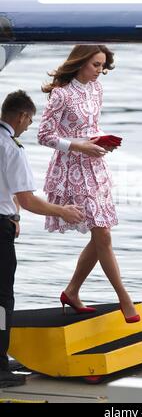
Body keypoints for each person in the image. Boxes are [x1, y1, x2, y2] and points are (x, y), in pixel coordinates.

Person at [38, 45, 139, 323]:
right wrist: (79, 146)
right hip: (71, 169)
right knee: (103, 234)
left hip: (95, 165)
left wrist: (102, 140)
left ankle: (71, 290)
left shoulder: (97, 89)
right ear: (81, 62)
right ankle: (123, 298)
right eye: (96, 65)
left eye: (103, 66)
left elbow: (91, 126)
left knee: (101, 233)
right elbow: (44, 136)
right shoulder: (61, 94)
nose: (100, 71)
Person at [0, 90, 84, 388]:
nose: (27, 126)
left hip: (4, 218)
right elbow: (27, 198)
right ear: (22, 116)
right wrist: (63, 211)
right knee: (1, 299)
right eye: (29, 121)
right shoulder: (12, 148)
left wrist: (15, 215)